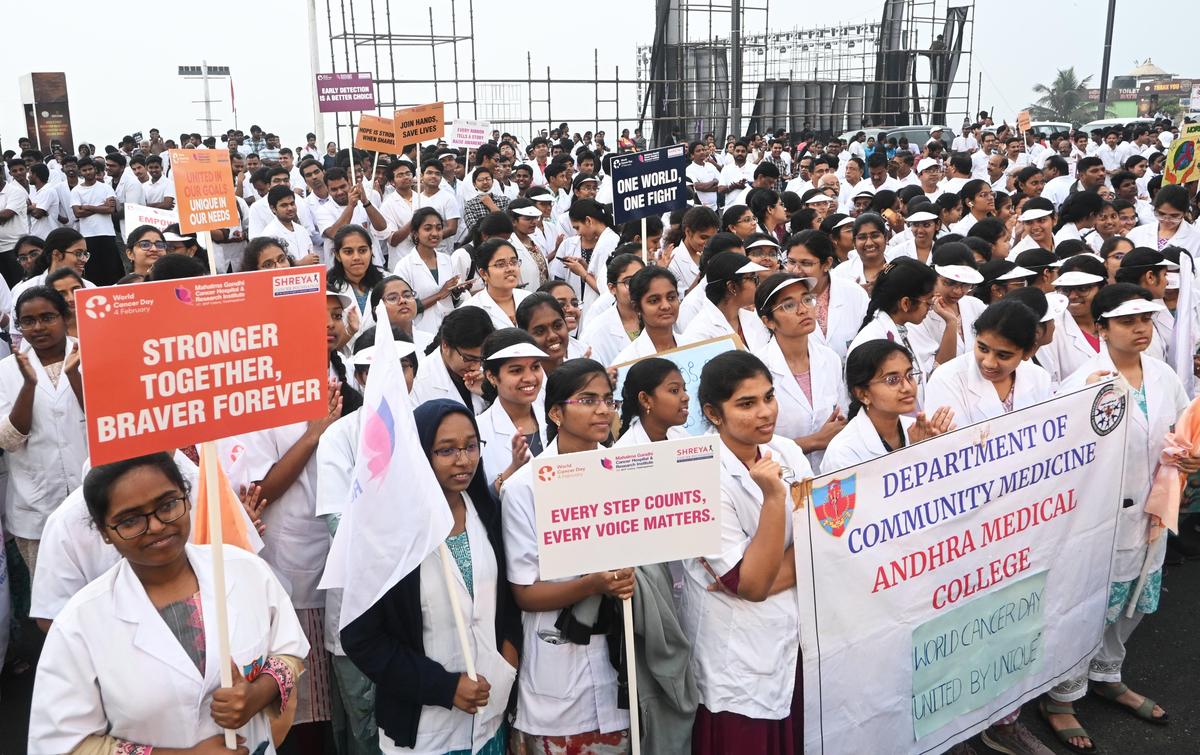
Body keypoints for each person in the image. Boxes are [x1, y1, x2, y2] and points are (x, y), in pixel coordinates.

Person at [28, 453, 308, 754]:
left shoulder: (245, 570)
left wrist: (258, 693)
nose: (157, 526)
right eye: (130, 520)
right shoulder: (79, 623)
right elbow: (63, 744)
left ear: (187, 498)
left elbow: (289, 650)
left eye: (167, 505)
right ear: (103, 531)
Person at [1048, 284, 1196, 754]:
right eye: (1128, 321)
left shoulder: (1162, 374)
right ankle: (1061, 695)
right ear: (1101, 328)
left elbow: (1178, 430)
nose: (1140, 330)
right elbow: (1063, 459)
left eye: (1146, 320)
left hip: (1153, 512)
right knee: (1089, 604)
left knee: (1135, 601)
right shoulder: (1084, 385)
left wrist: (1190, 461)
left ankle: (1107, 673)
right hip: (1101, 518)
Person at [340, 399, 521, 754]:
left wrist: (507, 661)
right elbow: (361, 638)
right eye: (446, 450)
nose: (463, 460)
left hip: (489, 721)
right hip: (424, 732)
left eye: (471, 446)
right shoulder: (388, 534)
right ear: (421, 454)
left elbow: (508, 601)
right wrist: (443, 686)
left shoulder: (487, 511)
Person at [682, 351, 811, 753]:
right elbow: (751, 584)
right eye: (746, 404)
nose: (765, 412)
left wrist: (770, 568)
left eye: (769, 397)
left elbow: (824, 542)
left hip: (792, 641)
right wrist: (774, 499)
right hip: (736, 658)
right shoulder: (697, 474)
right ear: (713, 413)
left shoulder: (787, 452)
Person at [501, 359, 632, 751]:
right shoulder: (525, 487)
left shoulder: (626, 474)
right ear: (556, 412)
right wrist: (593, 583)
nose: (603, 410)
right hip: (556, 666)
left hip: (618, 670)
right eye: (588, 400)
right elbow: (525, 593)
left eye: (608, 400)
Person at [0, 286, 86, 580]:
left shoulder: (91, 354)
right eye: (28, 321)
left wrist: (74, 375)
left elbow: (108, 422)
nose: (37, 327)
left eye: (47, 317)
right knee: (53, 605)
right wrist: (28, 386)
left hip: (95, 499)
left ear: (65, 317)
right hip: (36, 511)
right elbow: (8, 440)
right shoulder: (6, 371)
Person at [755, 272, 848, 470]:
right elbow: (754, 445)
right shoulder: (756, 369)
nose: (803, 310)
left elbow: (841, 418)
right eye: (789, 305)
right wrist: (814, 441)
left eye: (807, 299)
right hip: (783, 479)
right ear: (768, 321)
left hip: (831, 471)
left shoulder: (829, 359)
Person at [821, 340, 954, 473]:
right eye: (892, 380)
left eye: (909, 375)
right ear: (863, 394)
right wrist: (914, 454)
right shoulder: (843, 453)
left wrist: (939, 448)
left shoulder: (917, 429)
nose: (907, 387)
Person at [925, 299, 1053, 424]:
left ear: (1028, 352)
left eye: (1003, 355)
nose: (988, 363)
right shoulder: (946, 380)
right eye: (983, 349)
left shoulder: (1040, 378)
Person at [476, 329, 549, 496]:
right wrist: (513, 470)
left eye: (535, 367)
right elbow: (479, 504)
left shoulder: (555, 419)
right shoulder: (478, 431)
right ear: (492, 377)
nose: (530, 378)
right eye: (516, 371)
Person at [781, 229, 869, 359]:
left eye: (806, 263)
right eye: (792, 262)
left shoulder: (854, 293)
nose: (796, 270)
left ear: (827, 263)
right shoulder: (780, 298)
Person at [411, 306, 495, 413]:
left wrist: (489, 392)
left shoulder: (490, 373)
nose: (476, 366)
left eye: (482, 359)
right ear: (445, 345)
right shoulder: (418, 383)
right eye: (468, 358)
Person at [393, 207, 462, 334]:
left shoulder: (448, 260)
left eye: (439, 228)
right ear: (415, 233)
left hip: (449, 330)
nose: (435, 233)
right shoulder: (404, 266)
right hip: (420, 332)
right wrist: (439, 294)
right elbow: (403, 307)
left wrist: (456, 292)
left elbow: (452, 300)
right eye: (428, 228)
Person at [681, 252, 771, 350]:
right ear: (732, 287)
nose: (758, 284)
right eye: (753, 279)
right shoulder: (699, 334)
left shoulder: (753, 318)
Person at [1045, 256, 1109, 383]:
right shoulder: (1052, 331)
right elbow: (1050, 386)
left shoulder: (1118, 322)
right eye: (1066, 290)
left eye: (1083, 289)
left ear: (1103, 287)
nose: (1073, 296)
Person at [554, 199, 621, 317]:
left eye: (577, 228)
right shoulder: (604, 239)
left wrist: (583, 273)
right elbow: (600, 277)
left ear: (588, 220)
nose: (578, 233)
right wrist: (587, 267)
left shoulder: (608, 243)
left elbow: (606, 290)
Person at [581, 253, 646, 367]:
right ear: (612, 288)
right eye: (628, 282)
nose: (636, 286)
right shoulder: (596, 332)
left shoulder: (660, 317)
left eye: (641, 279)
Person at [611, 266, 682, 366]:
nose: (666, 306)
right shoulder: (626, 363)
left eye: (671, 297)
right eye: (654, 301)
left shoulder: (696, 346)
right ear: (637, 307)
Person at [69, 157, 121, 286]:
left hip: (107, 234)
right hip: (88, 236)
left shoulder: (105, 188)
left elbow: (111, 209)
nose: (88, 172)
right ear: (80, 172)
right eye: (84, 170)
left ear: (95, 169)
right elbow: (78, 213)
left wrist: (88, 206)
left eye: (90, 169)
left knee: (113, 271)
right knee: (93, 272)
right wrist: (100, 206)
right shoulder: (76, 190)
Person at [616, 358, 691, 445]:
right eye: (674, 390)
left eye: (684, 389)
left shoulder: (680, 435)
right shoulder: (625, 452)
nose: (686, 397)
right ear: (645, 400)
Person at [463, 238, 531, 329]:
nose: (510, 268)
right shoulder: (470, 310)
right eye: (501, 264)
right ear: (484, 273)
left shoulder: (529, 299)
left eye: (514, 262)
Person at [328, 225, 387, 327]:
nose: (356, 257)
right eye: (348, 252)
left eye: (362, 250)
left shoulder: (388, 281)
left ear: (371, 251)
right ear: (338, 255)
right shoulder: (328, 287)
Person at [368, 276, 435, 359]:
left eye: (407, 295)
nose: (403, 300)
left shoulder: (430, 341)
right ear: (377, 310)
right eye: (392, 298)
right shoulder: (369, 347)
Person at [1126, 185, 1200, 256]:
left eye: (1174, 216)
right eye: (1161, 214)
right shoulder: (1136, 233)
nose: (1166, 220)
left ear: (1184, 213)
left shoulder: (1196, 239)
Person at [831, 213, 889, 292]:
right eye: (862, 238)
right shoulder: (840, 273)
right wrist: (856, 294)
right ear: (854, 242)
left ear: (885, 238)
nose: (869, 243)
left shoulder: (900, 266)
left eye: (875, 236)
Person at [46, 268, 84, 338]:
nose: (71, 298)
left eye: (75, 289)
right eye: (62, 294)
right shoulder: (46, 331)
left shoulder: (103, 321)